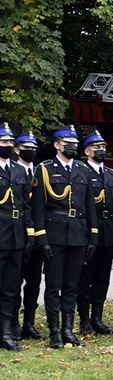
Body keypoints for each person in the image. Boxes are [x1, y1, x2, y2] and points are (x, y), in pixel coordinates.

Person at [32, 125, 98, 348]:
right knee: (54, 285)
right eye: (67, 142)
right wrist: (41, 238)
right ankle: (54, 333)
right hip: (55, 233)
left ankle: (68, 330)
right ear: (57, 145)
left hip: (78, 234)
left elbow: (90, 206)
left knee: (72, 285)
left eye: (75, 142)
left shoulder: (83, 170)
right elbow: (38, 207)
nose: (72, 146)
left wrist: (93, 236)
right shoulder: (45, 170)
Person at [76, 130, 113, 335]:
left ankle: (97, 318)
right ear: (87, 151)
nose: (101, 150)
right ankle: (84, 319)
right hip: (88, 232)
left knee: (102, 277)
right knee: (85, 277)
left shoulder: (111, 174)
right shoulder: (82, 172)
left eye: (103, 147)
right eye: (96, 148)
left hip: (108, 232)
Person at [0, 124, 33, 351]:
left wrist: (30, 232)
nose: (8, 146)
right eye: (4, 142)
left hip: (16, 233)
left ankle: (6, 332)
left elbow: (26, 205)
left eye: (10, 143)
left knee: (11, 287)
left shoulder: (18, 170)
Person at [12, 131, 44, 341]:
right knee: (13, 282)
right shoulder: (12, 172)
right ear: (17, 150)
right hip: (15, 233)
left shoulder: (41, 173)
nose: (30, 151)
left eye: (33, 148)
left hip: (38, 234)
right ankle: (12, 323)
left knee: (33, 281)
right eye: (26, 148)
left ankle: (29, 323)